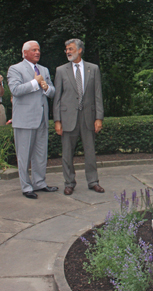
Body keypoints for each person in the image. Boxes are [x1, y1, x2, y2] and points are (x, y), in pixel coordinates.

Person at [7, 41, 58, 199]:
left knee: (40, 154)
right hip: (24, 120)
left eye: (39, 50)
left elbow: (52, 91)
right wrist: (35, 82)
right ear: (25, 53)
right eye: (34, 50)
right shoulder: (15, 69)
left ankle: (40, 183)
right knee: (24, 155)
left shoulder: (44, 69)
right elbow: (15, 90)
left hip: (41, 119)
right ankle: (26, 187)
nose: (37, 52)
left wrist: (45, 87)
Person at [53, 39, 105, 195]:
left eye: (71, 49)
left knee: (90, 152)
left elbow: (98, 95)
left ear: (80, 50)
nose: (68, 51)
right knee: (67, 153)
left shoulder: (93, 69)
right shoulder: (61, 70)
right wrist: (57, 120)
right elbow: (57, 97)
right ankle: (69, 183)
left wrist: (99, 118)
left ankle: (93, 182)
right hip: (68, 118)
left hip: (88, 117)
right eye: (66, 49)